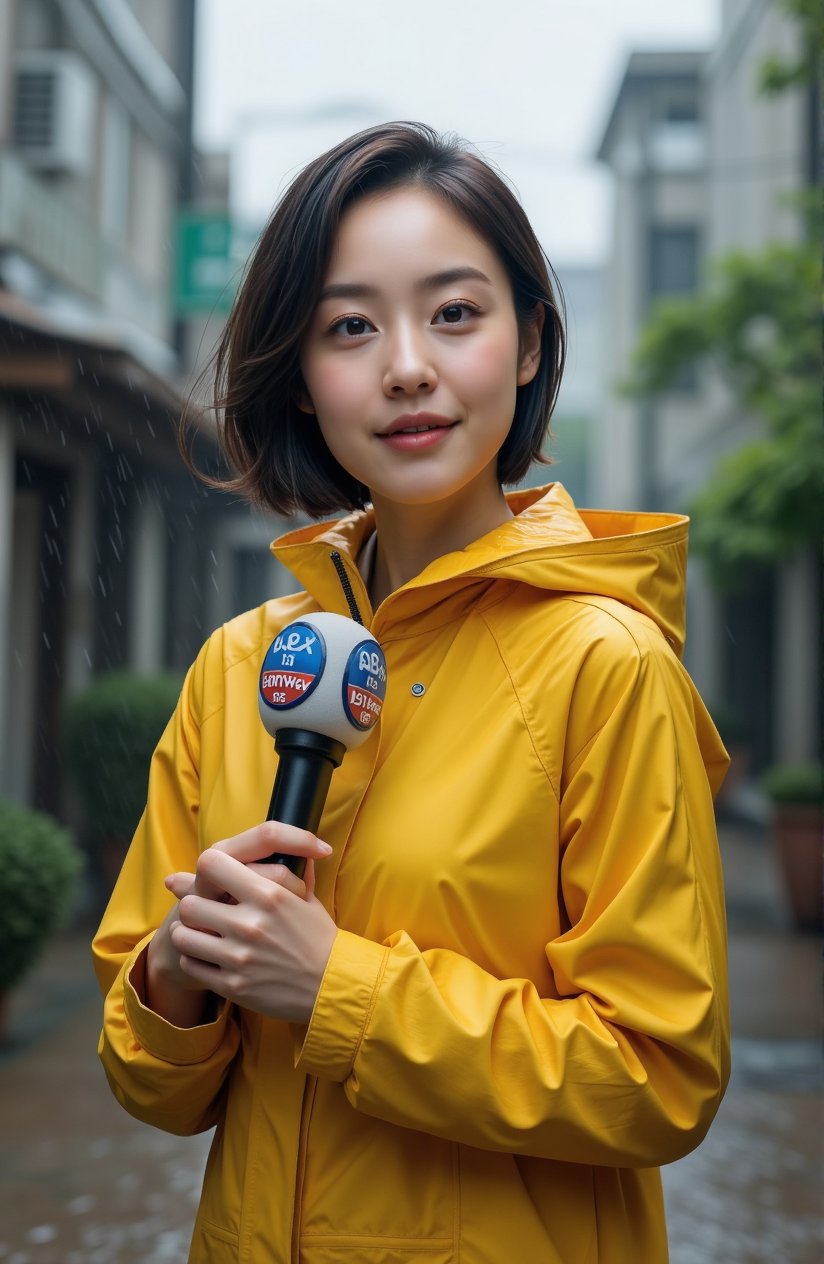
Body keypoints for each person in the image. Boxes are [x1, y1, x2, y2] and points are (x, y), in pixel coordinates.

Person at [93, 121, 731, 1264]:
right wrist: (179, 974)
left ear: (529, 343)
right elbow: (152, 1088)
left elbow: (657, 1079)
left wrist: (333, 986)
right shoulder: (238, 665)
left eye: (453, 312)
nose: (404, 366)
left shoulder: (605, 666)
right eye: (349, 325)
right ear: (300, 373)